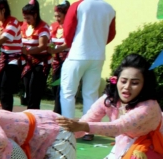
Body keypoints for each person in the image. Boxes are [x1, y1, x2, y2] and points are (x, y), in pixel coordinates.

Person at [57, 54, 163, 159]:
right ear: (116, 79)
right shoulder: (109, 99)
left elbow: (118, 126)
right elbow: (88, 120)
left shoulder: (148, 106)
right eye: (123, 81)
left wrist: (81, 126)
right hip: (128, 142)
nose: (126, 87)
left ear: (144, 85)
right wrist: (61, 135)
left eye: (135, 83)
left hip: (156, 143)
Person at [60, 0, 116, 141]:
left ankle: (69, 129)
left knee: (68, 93)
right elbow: (111, 34)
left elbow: (68, 30)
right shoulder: (109, 8)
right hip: (98, 55)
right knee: (90, 94)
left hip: (77, 54)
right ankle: (88, 131)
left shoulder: (78, 5)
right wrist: (97, 44)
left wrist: (72, 44)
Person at [20, 0, 51, 110]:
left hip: (40, 63)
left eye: (29, 18)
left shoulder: (43, 27)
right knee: (28, 91)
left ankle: (33, 118)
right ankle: (30, 115)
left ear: (35, 15)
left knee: (34, 92)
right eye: (25, 18)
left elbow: (43, 46)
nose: (26, 21)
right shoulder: (24, 26)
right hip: (27, 62)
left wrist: (27, 51)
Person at [48, 1, 70, 114]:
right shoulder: (53, 26)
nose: (57, 18)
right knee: (55, 86)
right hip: (56, 60)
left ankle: (57, 111)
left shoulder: (71, 27)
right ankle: (58, 110)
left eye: (59, 16)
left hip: (67, 59)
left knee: (62, 86)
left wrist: (56, 49)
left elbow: (69, 42)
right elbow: (49, 40)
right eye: (56, 16)